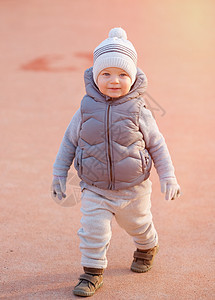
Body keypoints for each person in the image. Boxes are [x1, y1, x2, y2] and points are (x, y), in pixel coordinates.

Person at [51, 27, 181, 297]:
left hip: (133, 189)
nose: (114, 80)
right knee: (93, 230)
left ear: (132, 78)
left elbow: (157, 144)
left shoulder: (139, 110)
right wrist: (59, 174)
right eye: (106, 73)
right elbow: (69, 142)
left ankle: (147, 246)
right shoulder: (85, 109)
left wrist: (168, 177)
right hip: (95, 188)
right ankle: (92, 273)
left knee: (139, 225)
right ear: (96, 76)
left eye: (123, 74)